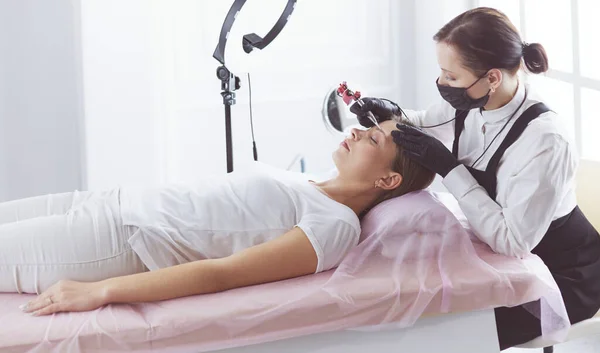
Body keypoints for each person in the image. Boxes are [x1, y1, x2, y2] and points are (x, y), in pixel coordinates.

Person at [0, 119, 435, 317]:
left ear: (388, 178)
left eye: (373, 138)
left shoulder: (337, 226)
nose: (357, 131)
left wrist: (102, 290)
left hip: (117, 240)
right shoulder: (315, 183)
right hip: (107, 202)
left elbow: (222, 275)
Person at [351, 7, 600, 350]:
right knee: (419, 309)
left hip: (559, 273)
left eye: (451, 77)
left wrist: (450, 170)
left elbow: (513, 242)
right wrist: (394, 115)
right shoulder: (470, 100)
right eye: (441, 72)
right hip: (499, 260)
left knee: (449, 331)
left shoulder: (544, 141)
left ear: (492, 78)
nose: (442, 84)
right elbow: (427, 122)